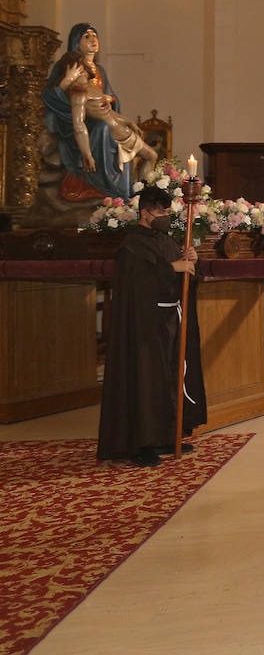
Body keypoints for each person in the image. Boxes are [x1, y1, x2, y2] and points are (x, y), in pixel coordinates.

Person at [97, 186, 207, 466]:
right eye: (161, 212)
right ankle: (141, 443)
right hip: (143, 325)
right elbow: (138, 283)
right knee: (145, 382)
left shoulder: (167, 240)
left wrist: (192, 262)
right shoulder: (131, 244)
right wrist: (173, 268)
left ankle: (165, 436)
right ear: (145, 213)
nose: (166, 217)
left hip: (170, 320)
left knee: (169, 379)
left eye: (169, 212)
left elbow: (186, 277)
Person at [42, 23, 153, 198]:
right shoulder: (67, 66)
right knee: (102, 128)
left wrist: (109, 100)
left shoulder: (99, 70)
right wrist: (68, 80)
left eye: (95, 35)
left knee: (114, 130)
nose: (93, 39)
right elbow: (49, 96)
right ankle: (106, 184)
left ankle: (136, 193)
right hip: (73, 121)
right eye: (86, 36)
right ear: (76, 43)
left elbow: (109, 99)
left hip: (106, 118)